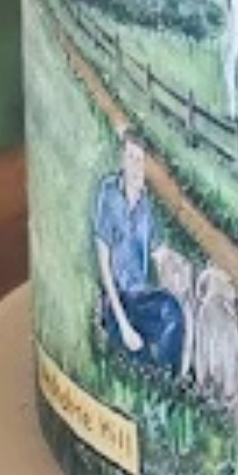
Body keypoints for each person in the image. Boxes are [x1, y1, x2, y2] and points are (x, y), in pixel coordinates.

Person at [92, 134, 185, 373]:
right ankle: (154, 375)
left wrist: (178, 267)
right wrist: (124, 325)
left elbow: (159, 253)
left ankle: (169, 380)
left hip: (140, 297)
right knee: (137, 358)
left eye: (140, 160)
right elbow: (104, 264)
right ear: (122, 159)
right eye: (131, 158)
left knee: (173, 312)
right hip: (116, 300)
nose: (135, 166)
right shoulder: (109, 194)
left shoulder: (146, 205)